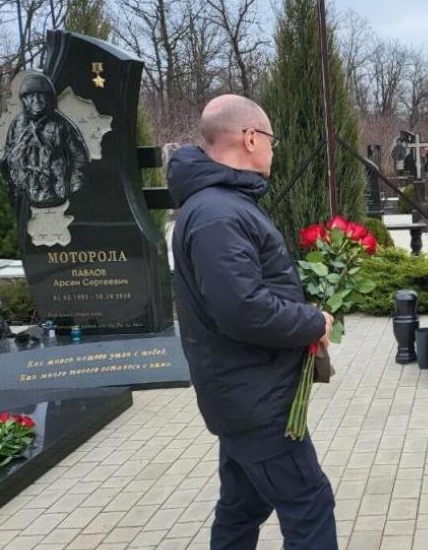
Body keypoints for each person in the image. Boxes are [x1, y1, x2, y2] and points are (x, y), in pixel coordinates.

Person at [168, 94, 337, 550]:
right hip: (254, 400)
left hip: (243, 393)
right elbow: (241, 308)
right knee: (309, 505)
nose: (273, 149)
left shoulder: (221, 205)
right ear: (249, 138)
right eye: (270, 139)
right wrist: (311, 321)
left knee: (243, 507)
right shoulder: (218, 214)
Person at [0, 72, 90, 211]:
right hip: (24, 196)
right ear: (25, 99)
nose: (36, 99)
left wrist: (75, 186)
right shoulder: (17, 124)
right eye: (31, 95)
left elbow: (79, 157)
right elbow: (9, 154)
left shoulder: (60, 124)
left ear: (48, 97)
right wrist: (12, 182)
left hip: (54, 194)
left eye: (40, 94)